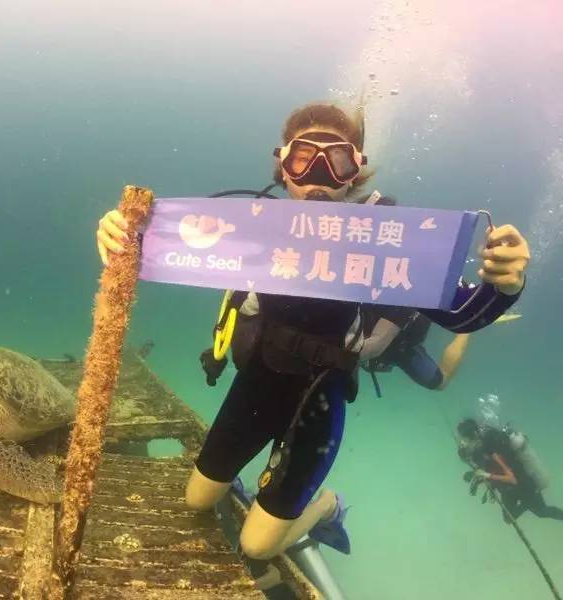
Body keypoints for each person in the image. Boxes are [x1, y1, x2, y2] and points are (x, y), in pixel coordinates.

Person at [95, 102, 531, 560]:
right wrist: (118, 232)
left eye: (337, 160)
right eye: (303, 159)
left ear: (354, 174)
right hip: (257, 385)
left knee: (257, 547)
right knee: (195, 500)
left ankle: (326, 507)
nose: (318, 174)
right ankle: (264, 488)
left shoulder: (387, 240)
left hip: (320, 400)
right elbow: (157, 248)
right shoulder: (250, 231)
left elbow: (465, 317)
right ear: (283, 169)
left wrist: (506, 285)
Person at [457, 418, 563, 522]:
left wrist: (486, 476)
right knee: (508, 518)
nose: (465, 443)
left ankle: (529, 503)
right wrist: (478, 481)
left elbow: (509, 476)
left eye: (466, 438)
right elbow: (487, 469)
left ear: (473, 434)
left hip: (522, 483)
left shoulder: (490, 447)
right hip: (507, 488)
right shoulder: (479, 452)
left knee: (542, 512)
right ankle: (528, 503)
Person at [361, 309, 471, 395]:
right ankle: (466, 327)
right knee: (440, 382)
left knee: (441, 382)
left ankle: (466, 328)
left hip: (398, 345)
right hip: (398, 343)